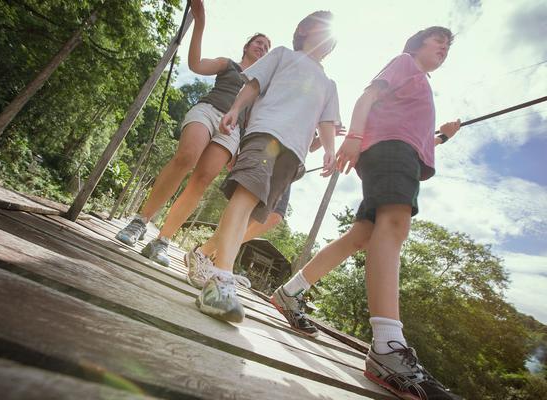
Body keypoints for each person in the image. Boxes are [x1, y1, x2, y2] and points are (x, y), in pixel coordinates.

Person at [270, 27, 462, 400]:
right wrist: (354, 136)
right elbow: (369, 97)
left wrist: (443, 137)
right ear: (417, 44)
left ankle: (289, 292)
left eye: (448, 47)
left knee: (363, 235)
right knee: (394, 224)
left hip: (396, 150)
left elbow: (411, 130)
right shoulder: (406, 63)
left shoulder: (418, 83)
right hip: (390, 152)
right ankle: (388, 348)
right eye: (438, 41)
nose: (444, 48)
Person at [186, 11, 341, 323]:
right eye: (321, 28)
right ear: (305, 30)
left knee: (258, 210)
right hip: (265, 132)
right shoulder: (283, 55)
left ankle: (211, 263)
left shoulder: (329, 84)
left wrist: (329, 150)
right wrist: (234, 109)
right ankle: (220, 279)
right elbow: (253, 85)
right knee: (244, 195)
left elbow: (327, 122)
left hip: (294, 152)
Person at [114, 0, 270, 268]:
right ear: (247, 46)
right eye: (258, 42)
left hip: (233, 131)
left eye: (267, 47)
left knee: (203, 179)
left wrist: (242, 148)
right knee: (186, 158)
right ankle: (140, 222)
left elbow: (255, 119)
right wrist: (200, 23)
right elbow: (196, 64)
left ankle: (162, 240)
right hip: (208, 111)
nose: (262, 47)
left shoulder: (260, 87)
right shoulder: (229, 64)